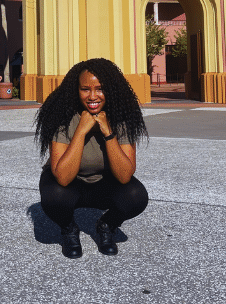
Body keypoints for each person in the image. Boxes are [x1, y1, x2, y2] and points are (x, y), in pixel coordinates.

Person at [35, 58, 148, 259]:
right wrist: (81, 130)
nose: (93, 96)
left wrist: (107, 131)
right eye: (85, 89)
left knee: (136, 196)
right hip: (71, 185)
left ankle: (106, 225)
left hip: (104, 184)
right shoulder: (63, 118)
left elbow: (124, 175)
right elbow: (62, 177)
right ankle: (69, 229)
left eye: (100, 89)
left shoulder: (121, 119)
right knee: (54, 196)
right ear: (76, 90)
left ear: (111, 90)